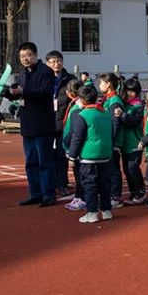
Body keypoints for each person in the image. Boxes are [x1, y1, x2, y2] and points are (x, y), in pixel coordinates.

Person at [3, 42, 57, 207]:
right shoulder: (22, 74)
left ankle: (48, 194)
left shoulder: (46, 72)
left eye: (28, 55)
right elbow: (18, 94)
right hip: (27, 125)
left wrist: (23, 92)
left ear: (35, 55)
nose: (25, 59)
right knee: (30, 162)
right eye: (22, 56)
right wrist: (8, 93)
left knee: (45, 162)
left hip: (43, 124)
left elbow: (45, 92)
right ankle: (35, 193)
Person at [67, 85, 114, 224]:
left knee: (89, 185)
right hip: (105, 154)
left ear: (82, 100)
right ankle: (106, 211)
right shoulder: (105, 113)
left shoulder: (83, 115)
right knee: (104, 184)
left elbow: (77, 137)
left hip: (89, 156)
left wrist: (72, 156)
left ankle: (92, 212)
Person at [46, 50, 77, 199]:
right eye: (52, 62)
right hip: (46, 124)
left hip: (63, 124)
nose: (55, 64)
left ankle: (63, 184)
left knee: (61, 156)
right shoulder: (43, 78)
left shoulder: (70, 79)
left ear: (62, 62)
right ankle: (50, 184)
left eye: (58, 61)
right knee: (47, 156)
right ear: (47, 64)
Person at [117, 77, 147, 206]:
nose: (130, 93)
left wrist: (123, 115)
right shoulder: (124, 103)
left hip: (135, 142)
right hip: (125, 143)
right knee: (126, 168)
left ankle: (140, 191)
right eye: (128, 90)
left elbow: (134, 122)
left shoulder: (138, 105)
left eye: (133, 91)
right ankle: (133, 192)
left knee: (132, 167)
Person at [97, 73, 125, 209]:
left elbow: (116, 123)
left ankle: (116, 197)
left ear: (108, 84)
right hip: (107, 141)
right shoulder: (107, 99)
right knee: (108, 171)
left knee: (113, 171)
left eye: (101, 82)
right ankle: (110, 195)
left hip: (112, 142)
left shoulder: (114, 101)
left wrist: (111, 141)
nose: (99, 85)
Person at [63, 79, 87, 212]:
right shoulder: (75, 105)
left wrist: (68, 143)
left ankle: (83, 198)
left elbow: (75, 130)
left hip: (76, 146)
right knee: (78, 174)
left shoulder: (78, 107)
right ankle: (79, 195)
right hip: (72, 145)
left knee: (80, 175)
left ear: (70, 93)